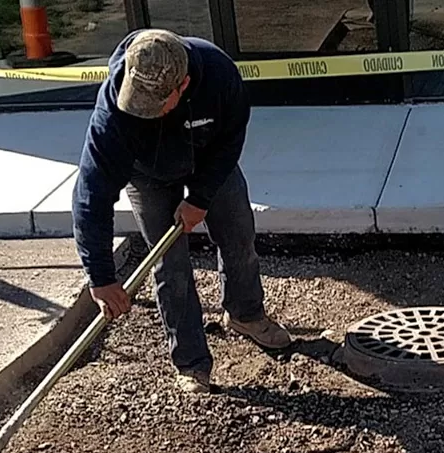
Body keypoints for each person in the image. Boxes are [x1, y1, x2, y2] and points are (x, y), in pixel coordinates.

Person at [71, 28, 291, 394]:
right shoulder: (114, 111)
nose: (146, 111)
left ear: (184, 83)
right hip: (148, 176)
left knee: (239, 237)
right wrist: (101, 276)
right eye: (138, 102)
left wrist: (201, 197)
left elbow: (232, 136)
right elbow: (91, 195)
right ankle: (191, 361)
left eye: (156, 103)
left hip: (210, 160)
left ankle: (245, 313)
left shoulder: (219, 75)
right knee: (170, 265)